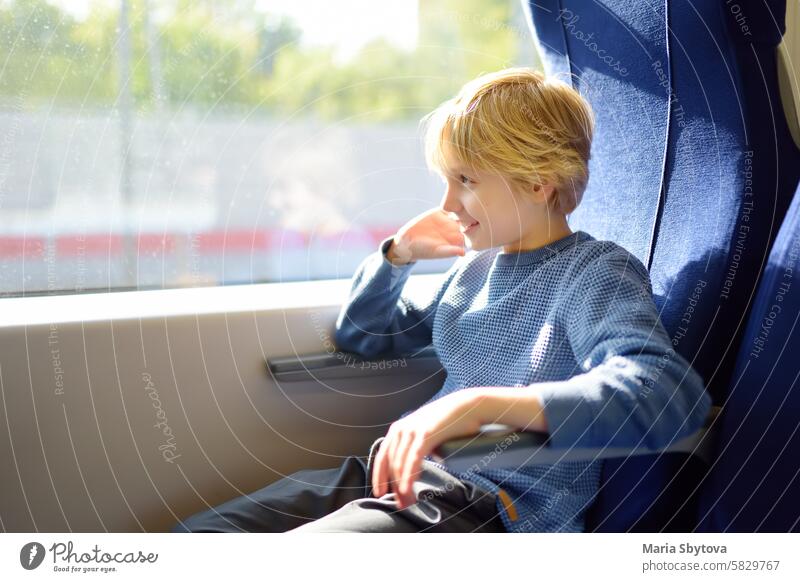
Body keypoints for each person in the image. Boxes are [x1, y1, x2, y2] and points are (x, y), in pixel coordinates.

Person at [171, 67, 711, 533]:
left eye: (465, 180)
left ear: (540, 180)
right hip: (391, 473)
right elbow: (362, 336)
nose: (447, 203)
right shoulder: (472, 271)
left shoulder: (594, 272)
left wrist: (475, 406)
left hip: (484, 502)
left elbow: (668, 396)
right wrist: (398, 257)